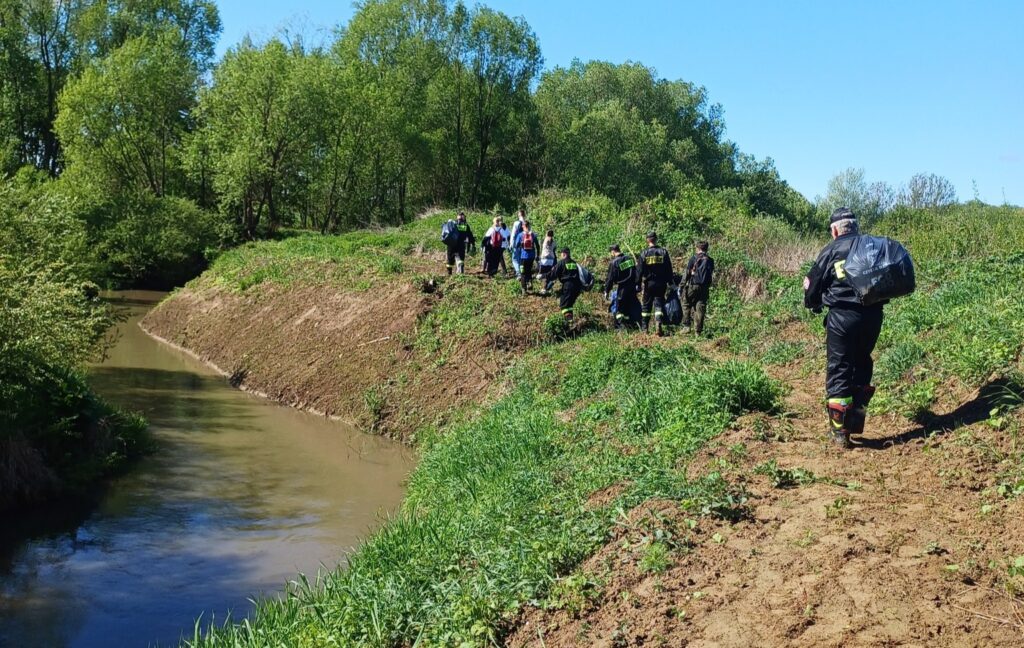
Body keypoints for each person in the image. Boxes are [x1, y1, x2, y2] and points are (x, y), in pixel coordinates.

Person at [804, 207, 884, 449]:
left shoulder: (831, 250)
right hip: (873, 316)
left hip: (842, 317)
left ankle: (841, 434)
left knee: (839, 366)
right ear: (856, 226)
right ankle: (856, 420)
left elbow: (812, 285)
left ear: (835, 230)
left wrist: (813, 302)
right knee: (862, 361)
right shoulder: (871, 246)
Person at [638, 231, 673, 335]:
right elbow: (669, 269)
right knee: (659, 304)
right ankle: (658, 322)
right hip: (661, 283)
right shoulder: (663, 252)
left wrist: (638, 284)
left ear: (647, 240)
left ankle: (645, 328)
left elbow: (639, 271)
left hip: (649, 283)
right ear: (656, 239)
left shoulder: (644, 253)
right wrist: (670, 281)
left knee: (646, 306)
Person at [604, 244, 640, 330]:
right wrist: (638, 284)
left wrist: (606, 290)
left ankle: (620, 328)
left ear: (613, 251)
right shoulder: (629, 259)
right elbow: (636, 272)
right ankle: (632, 325)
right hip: (632, 287)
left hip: (622, 288)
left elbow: (610, 279)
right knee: (631, 306)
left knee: (620, 309)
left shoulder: (614, 263)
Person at [682, 241, 715, 335]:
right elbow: (710, 273)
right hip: (704, 287)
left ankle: (686, 326)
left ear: (698, 248)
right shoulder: (710, 260)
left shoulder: (693, 258)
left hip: (693, 285)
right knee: (700, 306)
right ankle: (698, 331)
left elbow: (687, 273)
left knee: (686, 303)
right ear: (707, 249)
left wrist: (682, 285)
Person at [551, 247, 582, 322]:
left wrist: (544, 276)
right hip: (577, 287)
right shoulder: (574, 263)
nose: (560, 255)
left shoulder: (561, 262)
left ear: (564, 254)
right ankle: (570, 321)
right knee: (569, 305)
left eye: (561, 254)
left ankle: (569, 321)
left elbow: (553, 274)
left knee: (563, 304)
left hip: (568, 286)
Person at [445, 211, 476, 275]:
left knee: (450, 258)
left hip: (451, 244)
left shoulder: (453, 223)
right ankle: (460, 272)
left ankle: (449, 273)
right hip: (461, 244)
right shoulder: (465, 225)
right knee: (461, 258)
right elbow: (470, 235)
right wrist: (473, 243)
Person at [513, 220, 539, 292]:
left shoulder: (520, 235)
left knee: (522, 272)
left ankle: (524, 289)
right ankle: (530, 282)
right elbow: (537, 245)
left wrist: (520, 245)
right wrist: (538, 255)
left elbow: (516, 245)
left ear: (523, 226)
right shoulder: (533, 235)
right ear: (529, 226)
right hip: (531, 257)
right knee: (529, 270)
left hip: (523, 257)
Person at [508, 209, 527, 278]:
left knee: (515, 259)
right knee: (521, 260)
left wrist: (511, 244)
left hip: (517, 244)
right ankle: (523, 273)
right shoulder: (526, 223)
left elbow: (513, 234)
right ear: (524, 215)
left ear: (519, 215)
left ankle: (518, 274)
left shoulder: (516, 223)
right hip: (524, 245)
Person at [538, 229, 557, 294]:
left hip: (544, 259)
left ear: (547, 234)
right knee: (548, 274)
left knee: (543, 275)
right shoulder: (554, 241)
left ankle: (544, 288)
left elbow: (541, 248)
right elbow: (554, 250)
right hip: (551, 259)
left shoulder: (544, 240)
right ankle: (548, 287)